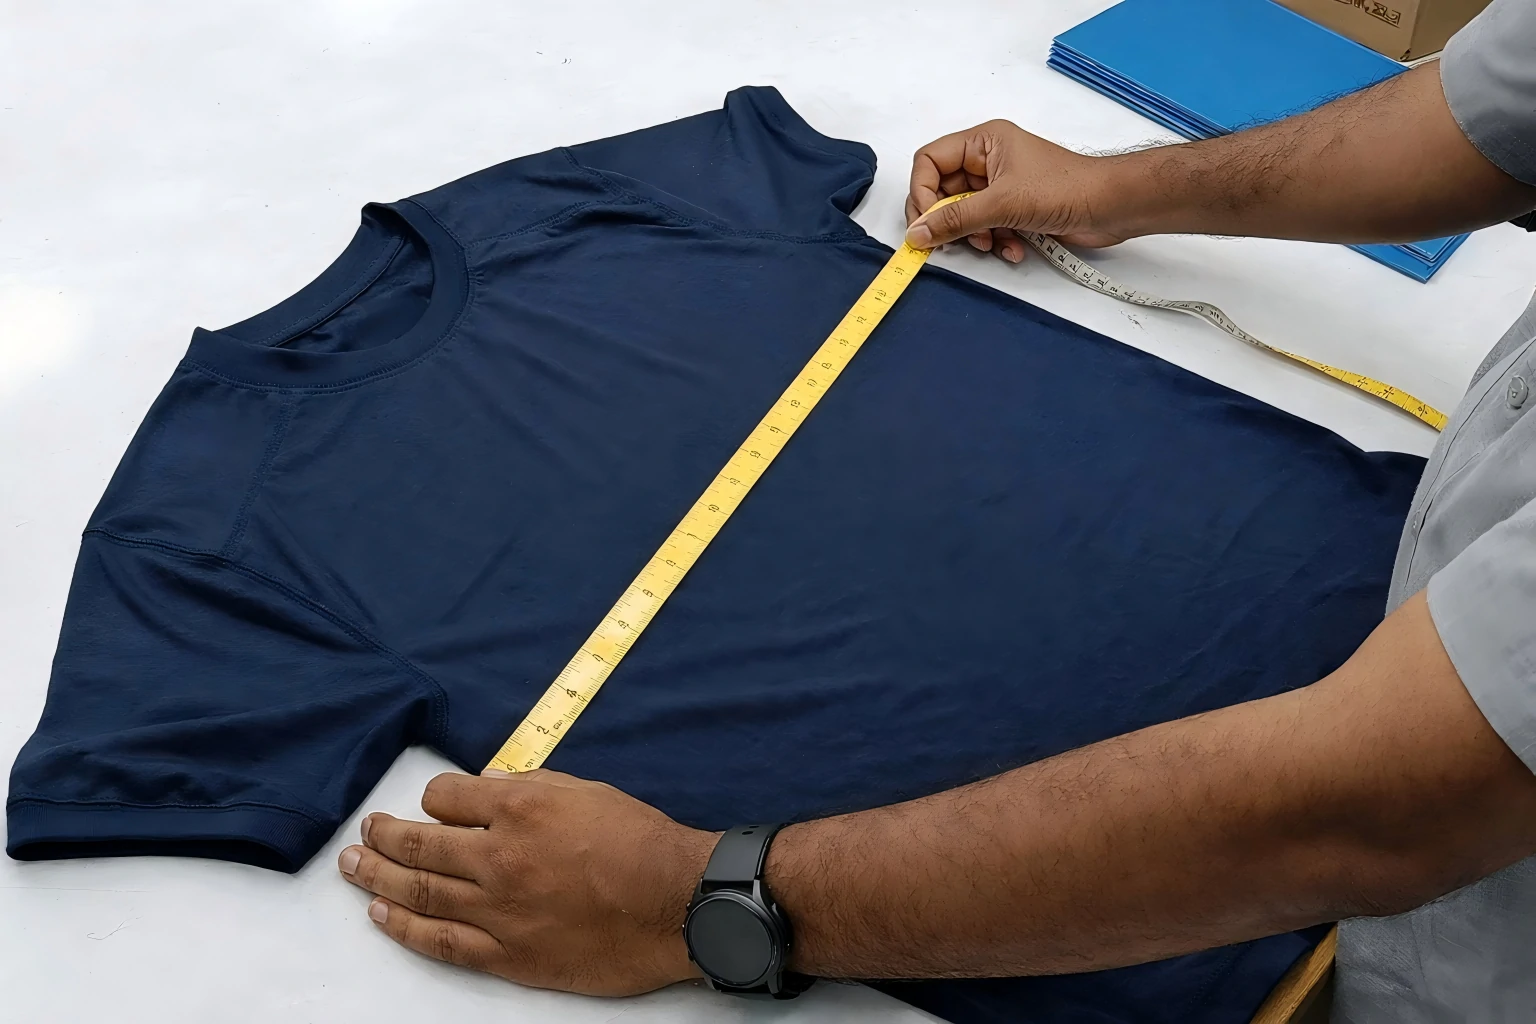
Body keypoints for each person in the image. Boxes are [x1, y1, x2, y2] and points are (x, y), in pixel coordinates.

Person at [332, 0, 1536, 1019]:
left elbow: (1366, 809)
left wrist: (700, 902)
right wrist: (1114, 186)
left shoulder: (641, 197)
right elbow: (1483, 122)